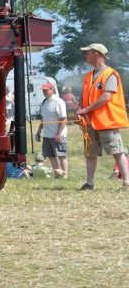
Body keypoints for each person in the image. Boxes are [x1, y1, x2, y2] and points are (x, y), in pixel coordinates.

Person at [77, 43, 129, 191]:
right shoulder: (89, 75)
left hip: (107, 122)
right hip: (90, 122)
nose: (85, 55)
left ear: (96, 54)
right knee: (90, 153)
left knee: (117, 151)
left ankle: (127, 183)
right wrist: (80, 109)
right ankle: (89, 183)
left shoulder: (110, 74)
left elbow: (106, 97)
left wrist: (86, 109)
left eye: (87, 52)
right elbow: (83, 96)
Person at [35, 82, 68, 178]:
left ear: (52, 90)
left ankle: (65, 176)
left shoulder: (59, 102)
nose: (44, 92)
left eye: (46, 90)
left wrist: (59, 134)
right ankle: (58, 175)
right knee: (51, 156)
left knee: (61, 155)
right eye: (43, 90)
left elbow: (63, 119)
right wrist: (39, 131)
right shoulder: (44, 102)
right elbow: (43, 119)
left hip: (58, 135)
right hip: (47, 135)